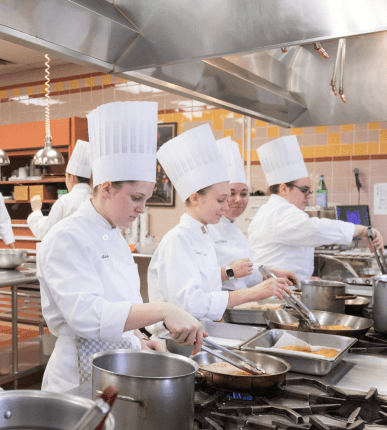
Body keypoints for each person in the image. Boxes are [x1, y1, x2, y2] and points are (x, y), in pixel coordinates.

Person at [38, 101, 204, 393]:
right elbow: (87, 317)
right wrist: (162, 310)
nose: (142, 208)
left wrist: (137, 340)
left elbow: (117, 306)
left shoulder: (114, 232)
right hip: (78, 378)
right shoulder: (67, 236)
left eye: (146, 199)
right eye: (136, 198)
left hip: (118, 367)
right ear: (106, 188)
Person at [148, 125, 291, 322]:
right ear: (196, 198)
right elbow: (190, 304)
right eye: (221, 199)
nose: (227, 207)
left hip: (205, 331)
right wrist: (252, 293)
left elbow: (209, 284)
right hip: (176, 339)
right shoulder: (178, 240)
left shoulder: (202, 235)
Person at [249, 135, 383, 281]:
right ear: (284, 189)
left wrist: (306, 278)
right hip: (276, 294)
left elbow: (287, 253)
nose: (308, 196)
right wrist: (360, 230)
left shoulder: (271, 210)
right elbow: (315, 229)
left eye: (310, 191)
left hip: (282, 288)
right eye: (304, 190)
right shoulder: (280, 212)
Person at [208, 137, 299, 290]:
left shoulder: (236, 232)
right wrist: (230, 272)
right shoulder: (206, 230)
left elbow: (244, 274)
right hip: (219, 306)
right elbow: (200, 280)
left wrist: (272, 273)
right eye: (231, 193)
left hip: (236, 302)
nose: (238, 200)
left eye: (244, 194)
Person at [27, 139, 93, 239]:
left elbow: (45, 232)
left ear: (72, 177)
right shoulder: (97, 200)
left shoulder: (64, 202)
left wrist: (36, 212)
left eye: (66, 176)